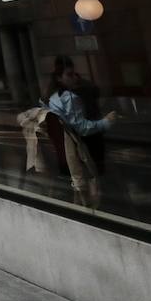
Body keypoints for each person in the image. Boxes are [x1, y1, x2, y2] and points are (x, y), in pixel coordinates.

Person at [45, 55, 117, 207]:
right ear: (59, 78)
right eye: (69, 75)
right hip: (83, 148)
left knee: (79, 185)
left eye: (74, 74)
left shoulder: (52, 98)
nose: (74, 78)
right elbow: (82, 127)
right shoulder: (70, 98)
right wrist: (106, 122)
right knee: (93, 181)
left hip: (66, 152)